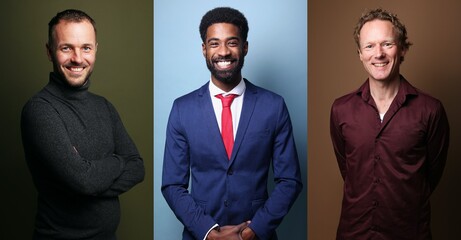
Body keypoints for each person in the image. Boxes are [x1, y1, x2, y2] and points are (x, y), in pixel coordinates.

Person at [161, 7, 303, 240]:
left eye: (232, 43)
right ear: (204, 49)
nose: (223, 52)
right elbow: (172, 185)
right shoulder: (182, 109)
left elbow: (290, 181)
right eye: (214, 43)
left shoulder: (273, 106)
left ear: (245, 47)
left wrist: (252, 231)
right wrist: (208, 232)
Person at [21, 9, 145, 239]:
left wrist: (89, 174)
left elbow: (137, 167)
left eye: (86, 48)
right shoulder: (39, 110)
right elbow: (84, 181)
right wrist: (118, 161)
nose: (78, 58)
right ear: (49, 52)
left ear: (95, 49)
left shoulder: (104, 107)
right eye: (66, 48)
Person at [330, 8, 450, 240]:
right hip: (354, 232)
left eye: (387, 44)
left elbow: (431, 176)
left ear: (403, 48)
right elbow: (349, 170)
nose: (379, 54)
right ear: (360, 54)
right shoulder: (340, 109)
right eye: (369, 46)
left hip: (410, 233)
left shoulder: (431, 110)